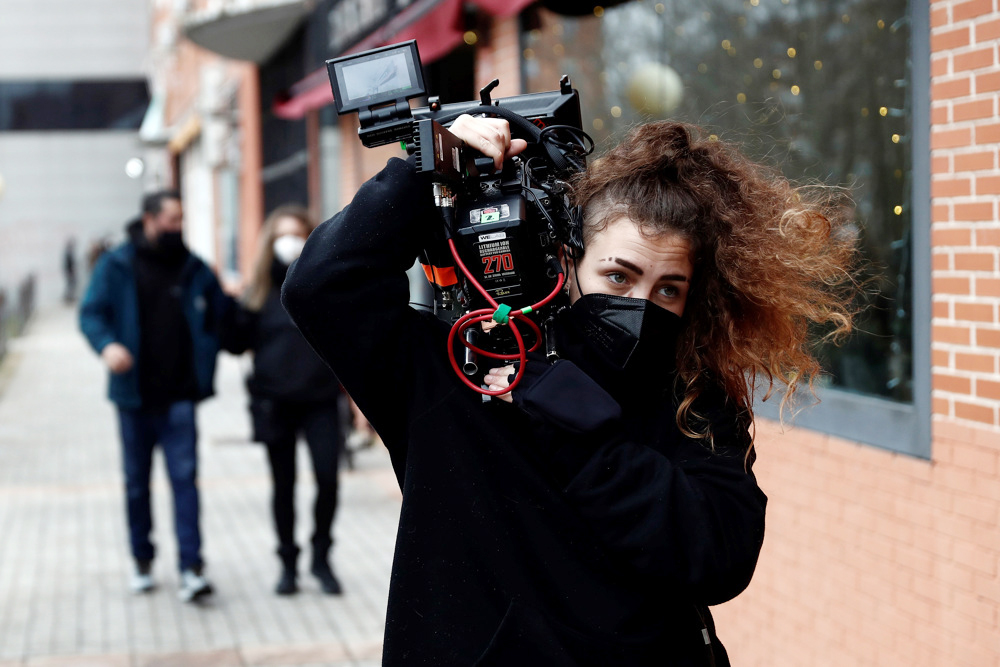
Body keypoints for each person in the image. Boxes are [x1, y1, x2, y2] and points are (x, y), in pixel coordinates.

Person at [281, 116, 858, 665]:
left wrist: (573, 421)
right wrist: (422, 171)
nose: (639, 304)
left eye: (668, 289)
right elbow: (322, 288)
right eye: (619, 275)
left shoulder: (693, 400)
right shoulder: (464, 366)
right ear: (568, 259)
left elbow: (719, 555)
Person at [79, 189, 234, 602]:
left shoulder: (192, 266)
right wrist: (107, 346)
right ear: (149, 220)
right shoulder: (116, 265)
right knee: (136, 484)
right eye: (171, 220)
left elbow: (226, 316)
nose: (177, 227)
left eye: (181, 220)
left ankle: (191, 567)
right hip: (133, 397)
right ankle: (142, 559)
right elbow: (90, 313)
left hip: (180, 394)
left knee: (185, 481)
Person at [228, 204, 344, 596]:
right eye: (281, 236)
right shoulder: (259, 291)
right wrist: (231, 307)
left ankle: (321, 557)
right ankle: (288, 562)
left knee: (328, 479)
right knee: (284, 485)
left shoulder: (320, 285)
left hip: (321, 400)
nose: (288, 243)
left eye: (296, 234)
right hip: (274, 401)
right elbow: (234, 342)